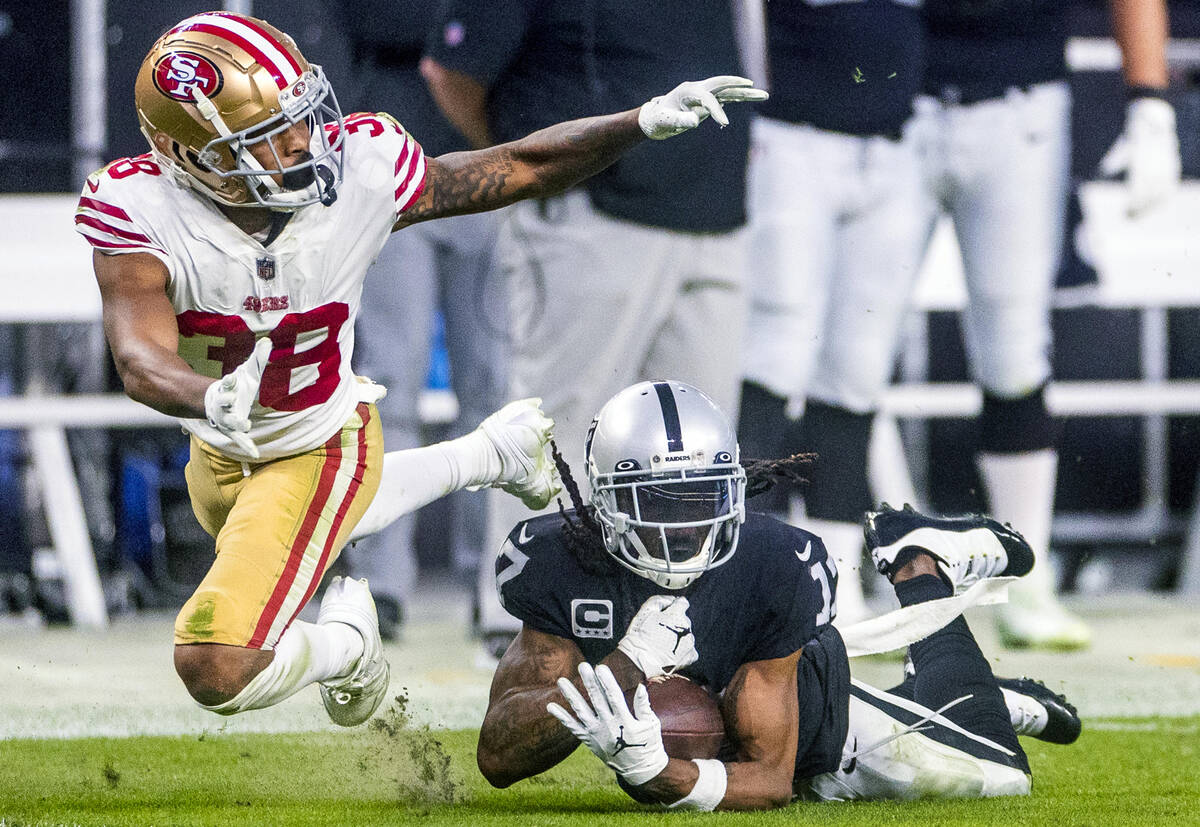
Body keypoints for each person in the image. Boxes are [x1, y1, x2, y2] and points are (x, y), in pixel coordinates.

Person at [74, 11, 764, 726]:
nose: (303, 143)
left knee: (215, 661)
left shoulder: (359, 172)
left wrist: (639, 122)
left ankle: (347, 646)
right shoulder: (141, 206)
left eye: (302, 117)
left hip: (321, 437)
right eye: (267, 138)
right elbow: (137, 355)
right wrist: (210, 398)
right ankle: (484, 454)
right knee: (285, 522)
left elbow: (522, 165)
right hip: (222, 449)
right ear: (191, 158)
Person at [477, 380, 1081, 809]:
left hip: (821, 734)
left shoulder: (770, 566)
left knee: (1001, 776)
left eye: (704, 497)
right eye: (658, 501)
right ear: (604, 503)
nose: (683, 527)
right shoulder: (559, 563)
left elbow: (771, 780)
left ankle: (919, 568)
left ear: (734, 490)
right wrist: (621, 670)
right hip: (738, 723)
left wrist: (662, 773)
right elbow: (498, 756)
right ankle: (986, 696)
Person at [420, 0, 760, 653]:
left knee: (698, 439)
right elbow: (451, 70)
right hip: (589, 214)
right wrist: (537, 166)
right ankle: (521, 606)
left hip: (715, 211)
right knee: (556, 419)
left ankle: (672, 608)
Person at [907, 0, 1179, 649]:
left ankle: (1021, 577)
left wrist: (1150, 102)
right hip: (887, 104)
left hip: (1018, 98)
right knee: (847, 359)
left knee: (1014, 350)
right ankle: (850, 575)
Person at [735, 0, 929, 626]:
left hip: (895, 143)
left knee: (857, 367)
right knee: (775, 350)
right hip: (790, 134)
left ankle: (830, 587)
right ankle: (732, 572)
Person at [332, 1, 509, 639]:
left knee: (495, 391)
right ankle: (381, 583)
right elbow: (372, 23)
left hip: (491, 168)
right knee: (389, 385)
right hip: (395, 173)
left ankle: (497, 578)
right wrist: (467, 28)